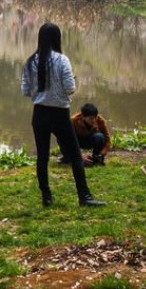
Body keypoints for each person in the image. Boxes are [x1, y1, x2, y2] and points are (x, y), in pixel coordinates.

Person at [21, 22, 105, 208]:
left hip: (39, 114)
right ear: (57, 38)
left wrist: (41, 92)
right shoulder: (62, 60)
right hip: (59, 114)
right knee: (75, 155)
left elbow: (25, 91)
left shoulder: (30, 62)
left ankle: (47, 197)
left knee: (42, 157)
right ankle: (84, 197)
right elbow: (69, 88)